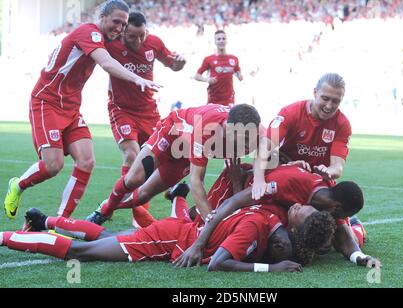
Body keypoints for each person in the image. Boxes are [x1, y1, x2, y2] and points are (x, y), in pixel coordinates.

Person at [3, 0, 160, 220]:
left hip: (71, 108)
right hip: (46, 102)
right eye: (116, 21)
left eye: (123, 25)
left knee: (87, 161)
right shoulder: (89, 32)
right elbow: (106, 63)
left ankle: (59, 221)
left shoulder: (104, 40)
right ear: (102, 17)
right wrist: (137, 78)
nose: (119, 28)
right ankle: (18, 185)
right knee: (53, 165)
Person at [174, 163, 381, 269]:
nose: (339, 221)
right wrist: (198, 245)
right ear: (336, 208)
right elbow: (233, 202)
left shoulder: (329, 197)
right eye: (343, 216)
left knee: (334, 242)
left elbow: (345, 240)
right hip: (238, 187)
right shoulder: (285, 184)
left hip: (268, 212)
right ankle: (178, 199)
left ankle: (357, 227)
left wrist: (360, 257)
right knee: (200, 227)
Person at [86, 104, 261, 225]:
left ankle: (175, 195)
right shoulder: (206, 130)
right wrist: (210, 221)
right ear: (229, 128)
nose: (246, 146)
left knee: (144, 195)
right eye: (242, 139)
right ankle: (104, 211)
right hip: (171, 134)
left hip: (186, 153)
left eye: (249, 139)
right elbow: (196, 181)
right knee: (134, 179)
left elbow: (246, 163)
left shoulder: (258, 136)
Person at [0, 205, 302, 273]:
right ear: (277, 243)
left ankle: (44, 222)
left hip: (177, 231)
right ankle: (4, 237)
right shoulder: (254, 230)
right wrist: (270, 269)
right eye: (275, 254)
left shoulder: (271, 217)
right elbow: (217, 264)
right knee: (82, 252)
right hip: (167, 240)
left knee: (108, 236)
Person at [105, 12, 186, 226]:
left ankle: (136, 201)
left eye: (142, 36)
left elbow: (174, 65)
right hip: (121, 109)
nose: (138, 41)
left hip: (149, 111)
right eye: (133, 36)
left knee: (162, 158)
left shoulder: (154, 43)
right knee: (133, 156)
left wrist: (180, 62)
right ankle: (138, 215)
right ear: (123, 31)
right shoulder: (110, 45)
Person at [252, 73, 352, 201]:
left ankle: (348, 221)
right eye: (325, 98)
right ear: (315, 92)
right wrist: (259, 180)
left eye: (335, 101)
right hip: (287, 173)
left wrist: (328, 172)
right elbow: (264, 147)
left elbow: (337, 167)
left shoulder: (342, 124)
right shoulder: (290, 113)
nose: (329, 106)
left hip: (317, 180)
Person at [194, 30, 243, 106]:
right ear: (215, 42)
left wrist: (239, 75)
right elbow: (197, 76)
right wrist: (207, 80)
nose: (221, 41)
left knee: (229, 117)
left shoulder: (234, 59)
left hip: (229, 99)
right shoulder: (209, 59)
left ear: (226, 41)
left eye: (223, 38)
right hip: (214, 100)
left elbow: (237, 71)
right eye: (219, 39)